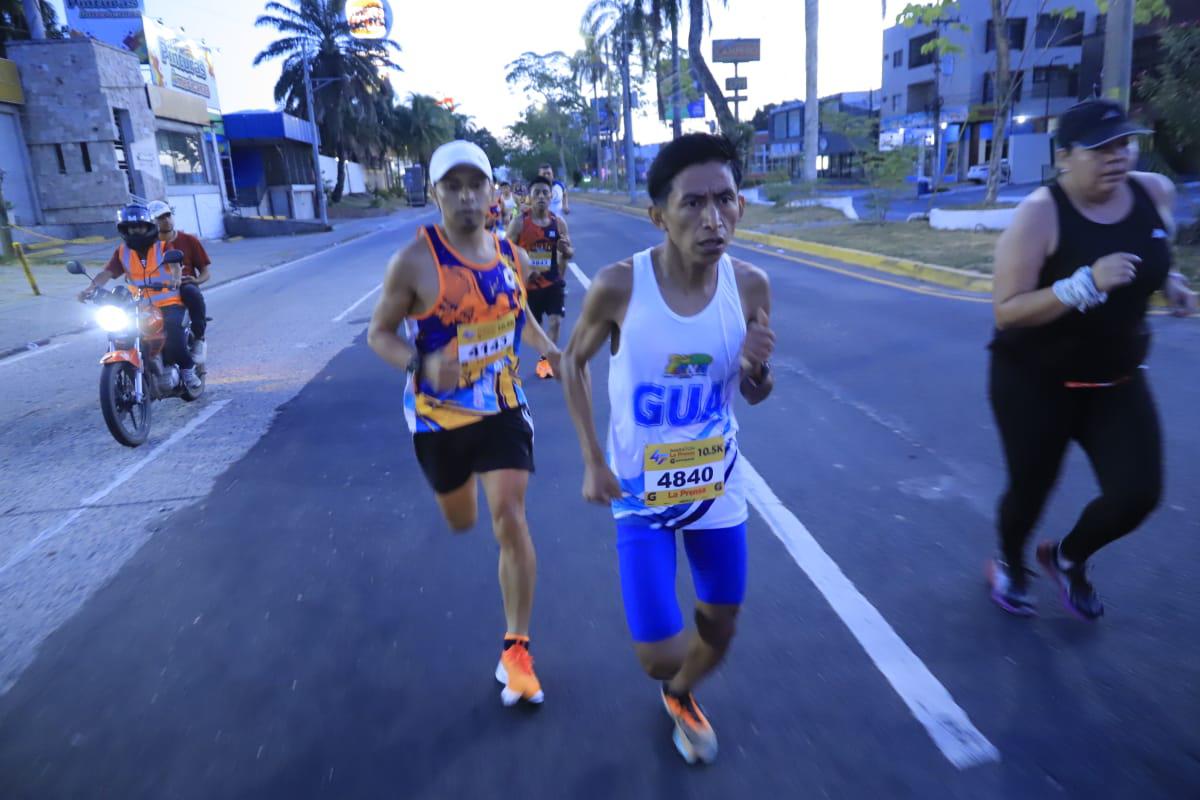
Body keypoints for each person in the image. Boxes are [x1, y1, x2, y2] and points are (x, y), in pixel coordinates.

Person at [561, 133, 775, 764]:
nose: (713, 218)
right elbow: (572, 363)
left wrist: (758, 372)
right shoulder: (619, 286)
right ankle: (672, 682)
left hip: (717, 486)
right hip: (640, 494)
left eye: (726, 200)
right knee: (657, 653)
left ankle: (682, 695)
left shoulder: (752, 286)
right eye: (693, 204)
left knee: (721, 626)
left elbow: (757, 395)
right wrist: (592, 461)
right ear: (658, 215)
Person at [367, 140, 562, 706]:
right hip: (438, 417)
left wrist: (552, 351)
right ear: (435, 194)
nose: (467, 195)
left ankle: (516, 649)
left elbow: (517, 314)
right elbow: (378, 332)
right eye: (453, 186)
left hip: (501, 403)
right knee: (461, 519)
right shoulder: (414, 262)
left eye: (476, 183)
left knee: (510, 517)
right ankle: (459, 494)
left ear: (494, 190)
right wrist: (421, 363)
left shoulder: (510, 256)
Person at [987, 100, 1197, 620]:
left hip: (1116, 379)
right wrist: (1083, 284)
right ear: (1064, 157)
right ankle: (1012, 564)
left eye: (1124, 143)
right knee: (1030, 491)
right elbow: (1007, 311)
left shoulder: (1154, 192)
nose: (1117, 156)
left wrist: (1170, 285)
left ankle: (1067, 557)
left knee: (1138, 493)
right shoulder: (1040, 214)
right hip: (1035, 382)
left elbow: (1151, 261)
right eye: (1101, 148)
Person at [78, 204, 201, 391]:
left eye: (139, 227)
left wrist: (176, 278)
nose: (135, 231)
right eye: (130, 228)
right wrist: (90, 288)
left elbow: (176, 264)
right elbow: (108, 272)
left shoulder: (163, 246)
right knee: (120, 334)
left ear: (149, 227)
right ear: (124, 230)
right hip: (138, 305)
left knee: (174, 336)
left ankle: (187, 368)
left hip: (169, 303)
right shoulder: (122, 252)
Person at [507, 175, 573, 379]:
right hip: (527, 286)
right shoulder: (519, 223)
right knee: (524, 329)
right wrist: (523, 268)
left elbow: (569, 253)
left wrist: (566, 250)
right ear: (530, 197)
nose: (542, 197)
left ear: (551, 195)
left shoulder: (559, 223)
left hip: (552, 282)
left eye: (546, 192)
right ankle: (508, 366)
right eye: (537, 193)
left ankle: (546, 363)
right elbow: (505, 252)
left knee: (555, 322)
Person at [147, 200, 210, 364]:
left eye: (168, 215)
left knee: (191, 291)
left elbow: (205, 273)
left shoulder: (189, 240)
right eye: (160, 218)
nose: (166, 220)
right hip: (156, 290)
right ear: (151, 222)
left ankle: (199, 338)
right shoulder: (146, 246)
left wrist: (195, 280)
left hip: (183, 287)